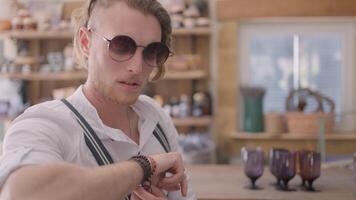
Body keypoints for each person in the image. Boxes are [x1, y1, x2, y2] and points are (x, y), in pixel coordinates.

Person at [0, 0, 196, 199]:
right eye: (121, 46)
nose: (137, 68)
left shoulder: (155, 117)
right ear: (86, 42)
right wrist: (144, 166)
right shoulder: (45, 124)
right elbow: (20, 193)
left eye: (153, 51)